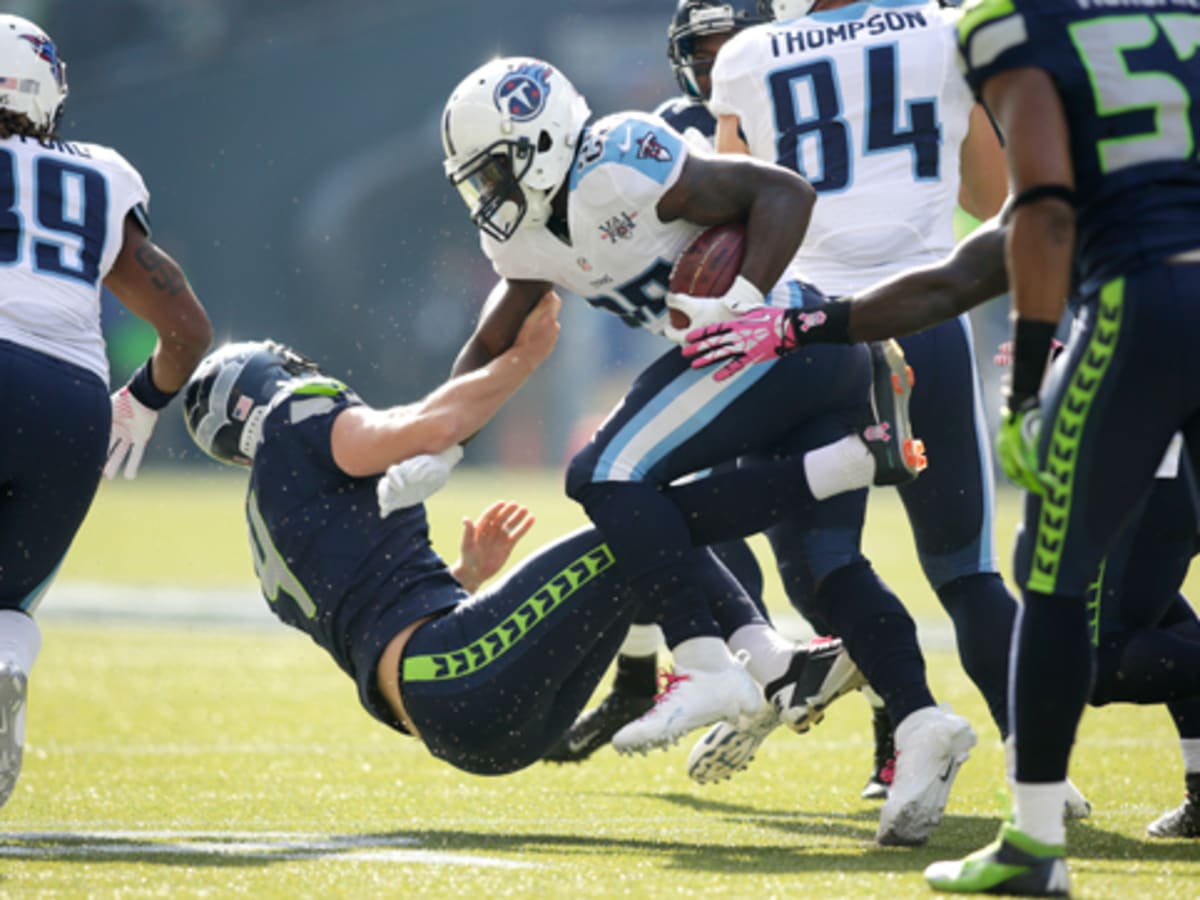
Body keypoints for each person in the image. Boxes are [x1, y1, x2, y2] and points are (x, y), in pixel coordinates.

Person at [441, 54, 976, 847]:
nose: (488, 197)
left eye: (495, 173)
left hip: (782, 340)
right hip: (795, 373)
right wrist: (434, 440)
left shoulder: (619, 156)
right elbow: (488, 345)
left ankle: (704, 663)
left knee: (606, 472)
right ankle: (922, 719)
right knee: (815, 572)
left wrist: (744, 297)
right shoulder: (530, 238)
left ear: (544, 138)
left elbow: (784, 193)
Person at [179, 321, 888, 777]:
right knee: (638, 516)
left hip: (463, 725)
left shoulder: (272, 523)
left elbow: (366, 625)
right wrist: (522, 359)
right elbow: (431, 423)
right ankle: (850, 475)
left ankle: (686, 679)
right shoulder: (293, 419)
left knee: (650, 543)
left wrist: (465, 578)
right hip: (454, 673)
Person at [692, 0, 1019, 805]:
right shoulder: (950, 29)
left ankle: (916, 724)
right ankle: (1036, 768)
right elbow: (992, 194)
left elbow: (731, 224)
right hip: (930, 318)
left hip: (811, 336)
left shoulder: (750, 54)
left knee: (822, 567)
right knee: (968, 572)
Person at [544, 0, 789, 769]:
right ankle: (667, 674)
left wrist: (745, 303)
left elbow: (793, 202)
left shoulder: (805, 100)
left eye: (734, 45)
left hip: (804, 328)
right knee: (659, 502)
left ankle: (893, 727)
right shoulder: (664, 126)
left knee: (824, 562)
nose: (717, 63)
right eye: (704, 48)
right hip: (713, 343)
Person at [0, 14, 212, 810]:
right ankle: (8, 666)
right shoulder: (102, 173)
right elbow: (187, 331)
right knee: (9, 602)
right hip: (71, 403)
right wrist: (145, 401)